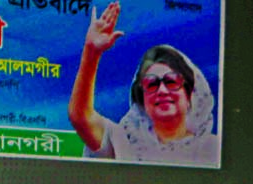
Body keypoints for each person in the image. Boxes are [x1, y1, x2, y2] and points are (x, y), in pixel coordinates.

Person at [68, 2, 218, 166]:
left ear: (189, 93)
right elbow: (80, 116)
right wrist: (92, 52)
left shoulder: (212, 149)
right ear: (142, 99)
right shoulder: (122, 140)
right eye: (152, 84)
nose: (161, 90)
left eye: (171, 81)